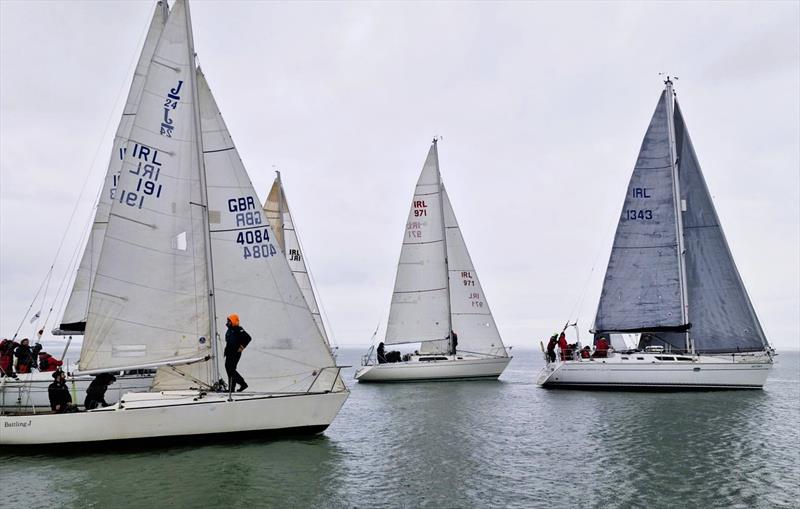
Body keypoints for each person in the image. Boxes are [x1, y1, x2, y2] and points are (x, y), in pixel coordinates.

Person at [224, 313, 252, 392]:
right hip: (229, 352)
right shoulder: (230, 330)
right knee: (229, 369)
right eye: (228, 321)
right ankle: (231, 388)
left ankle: (242, 384)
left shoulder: (239, 329)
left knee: (231, 369)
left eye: (229, 321)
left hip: (235, 353)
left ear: (233, 321)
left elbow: (248, 338)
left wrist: (242, 347)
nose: (228, 322)